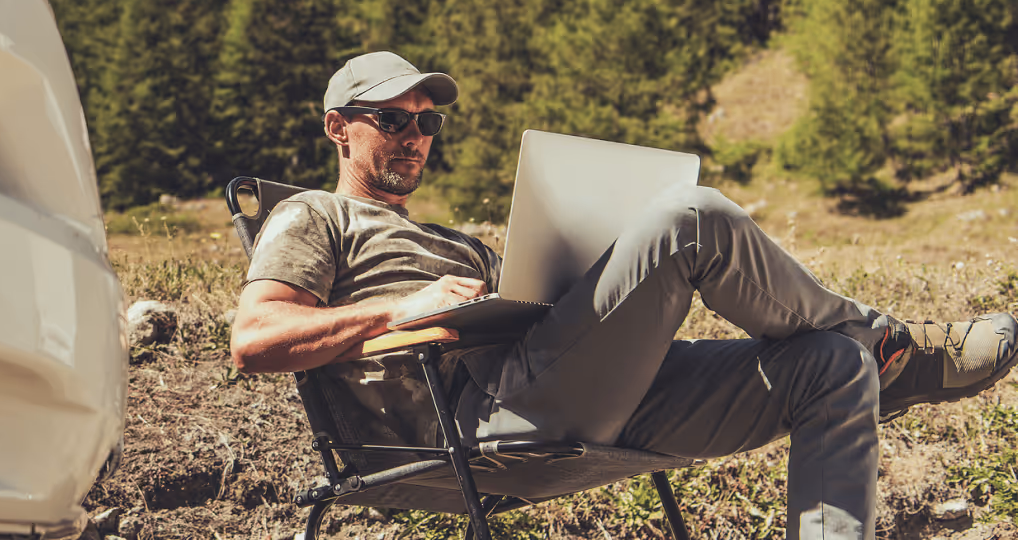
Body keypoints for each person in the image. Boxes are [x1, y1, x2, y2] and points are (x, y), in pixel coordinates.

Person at [227, 51, 1017, 539]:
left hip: (562, 394)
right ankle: (894, 348)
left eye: (427, 120)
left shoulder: (458, 242)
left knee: (832, 364)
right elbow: (255, 338)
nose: (415, 135)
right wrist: (396, 310)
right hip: (466, 430)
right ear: (338, 127)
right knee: (691, 218)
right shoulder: (314, 215)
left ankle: (868, 353)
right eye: (393, 118)